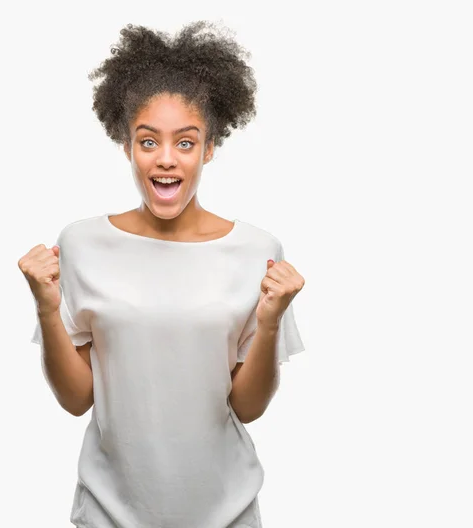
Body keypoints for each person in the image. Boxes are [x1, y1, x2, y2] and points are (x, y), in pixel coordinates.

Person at [19, 20, 306, 528]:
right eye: (148, 142)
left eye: (186, 142)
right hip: (110, 513)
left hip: (226, 513)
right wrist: (46, 307)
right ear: (126, 145)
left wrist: (269, 323)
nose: (166, 159)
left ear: (210, 147)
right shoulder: (83, 245)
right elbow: (75, 398)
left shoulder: (257, 251)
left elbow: (248, 405)